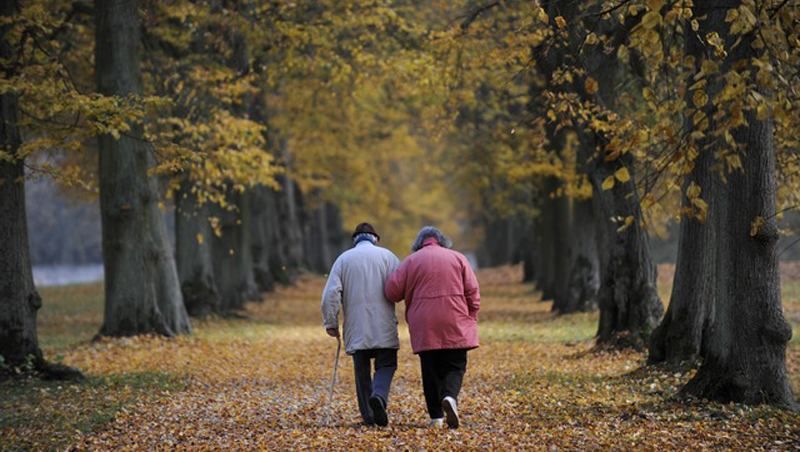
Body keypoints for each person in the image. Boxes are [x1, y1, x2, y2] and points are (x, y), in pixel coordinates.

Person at [384, 226, 480, 429]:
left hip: (423, 322)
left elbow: (392, 292)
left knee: (430, 369)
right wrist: (471, 315)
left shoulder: (411, 261)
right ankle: (449, 396)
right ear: (442, 241)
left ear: (419, 243)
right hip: (454, 318)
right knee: (455, 364)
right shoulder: (458, 258)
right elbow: (472, 291)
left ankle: (436, 417)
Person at [321, 222, 400, 427]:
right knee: (387, 364)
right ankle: (379, 396)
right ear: (376, 238)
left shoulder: (343, 259)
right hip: (383, 324)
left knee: (362, 371)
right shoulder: (388, 257)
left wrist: (331, 322)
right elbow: (400, 287)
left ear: (355, 239)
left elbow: (330, 293)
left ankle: (369, 416)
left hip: (357, 326)